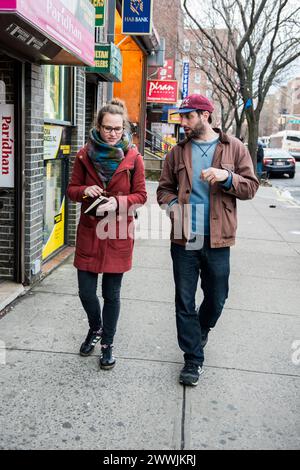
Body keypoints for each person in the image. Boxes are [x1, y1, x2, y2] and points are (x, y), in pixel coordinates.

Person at [157, 94, 259, 386]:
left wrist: (226, 177)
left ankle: (199, 332)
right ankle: (193, 359)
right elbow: (163, 190)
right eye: (181, 117)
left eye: (188, 116)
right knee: (184, 301)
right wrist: (173, 208)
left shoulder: (234, 147)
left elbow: (251, 187)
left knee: (217, 298)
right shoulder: (177, 152)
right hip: (184, 239)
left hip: (218, 238)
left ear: (204, 115)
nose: (183, 123)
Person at [67, 98, 147, 370]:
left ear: (124, 128)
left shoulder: (134, 158)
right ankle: (95, 326)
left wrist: (120, 202)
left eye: (117, 128)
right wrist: (84, 191)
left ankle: (107, 344)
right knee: (86, 292)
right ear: (98, 127)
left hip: (118, 233)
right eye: (107, 128)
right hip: (90, 231)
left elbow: (142, 196)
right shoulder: (83, 154)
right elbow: (71, 189)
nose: (112, 133)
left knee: (112, 294)